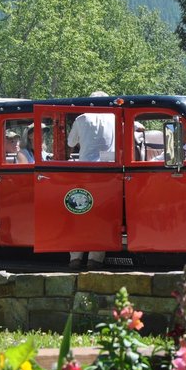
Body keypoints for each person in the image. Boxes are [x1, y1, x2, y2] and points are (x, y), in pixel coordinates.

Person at [68, 91, 113, 270]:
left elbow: (71, 142)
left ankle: (76, 256)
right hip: (109, 173)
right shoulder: (115, 118)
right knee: (102, 216)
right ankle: (95, 258)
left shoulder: (82, 118)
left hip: (85, 172)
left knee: (79, 213)